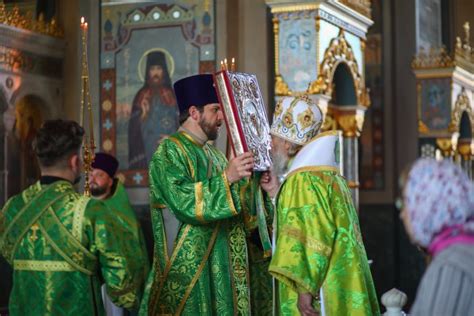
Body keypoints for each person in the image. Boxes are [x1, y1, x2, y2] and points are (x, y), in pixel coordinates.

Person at [139, 74, 272, 315]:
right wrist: (228, 178)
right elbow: (184, 202)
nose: (222, 118)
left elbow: (237, 203)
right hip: (191, 270)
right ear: (194, 112)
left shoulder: (215, 155)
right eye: (215, 110)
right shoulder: (169, 151)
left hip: (219, 265)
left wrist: (258, 185)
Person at [0, 120, 143, 315]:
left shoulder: (12, 208)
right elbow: (121, 284)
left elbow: (8, 255)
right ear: (75, 161)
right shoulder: (90, 211)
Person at [261, 96, 379, 316]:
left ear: (288, 143)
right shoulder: (326, 175)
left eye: (274, 139)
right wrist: (276, 194)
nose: (270, 145)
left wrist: (305, 288)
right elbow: (303, 218)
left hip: (319, 286)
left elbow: (312, 233)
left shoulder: (303, 179)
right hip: (337, 273)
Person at [398, 158, 474, 316]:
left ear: (429, 204)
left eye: (406, 202)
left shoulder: (451, 265)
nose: (402, 214)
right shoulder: (461, 249)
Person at [90, 152, 150, 316]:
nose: (92, 179)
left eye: (99, 175)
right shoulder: (82, 208)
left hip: (113, 284)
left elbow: (133, 253)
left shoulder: (121, 213)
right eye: (90, 174)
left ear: (110, 181)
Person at [128, 51, 178, 169]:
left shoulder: (172, 95)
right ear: (147, 72)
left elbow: (182, 122)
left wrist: (172, 139)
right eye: (152, 69)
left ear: (164, 71)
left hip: (169, 147)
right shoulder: (141, 95)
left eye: (159, 68)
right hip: (147, 146)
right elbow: (133, 128)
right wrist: (143, 116)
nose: (155, 73)